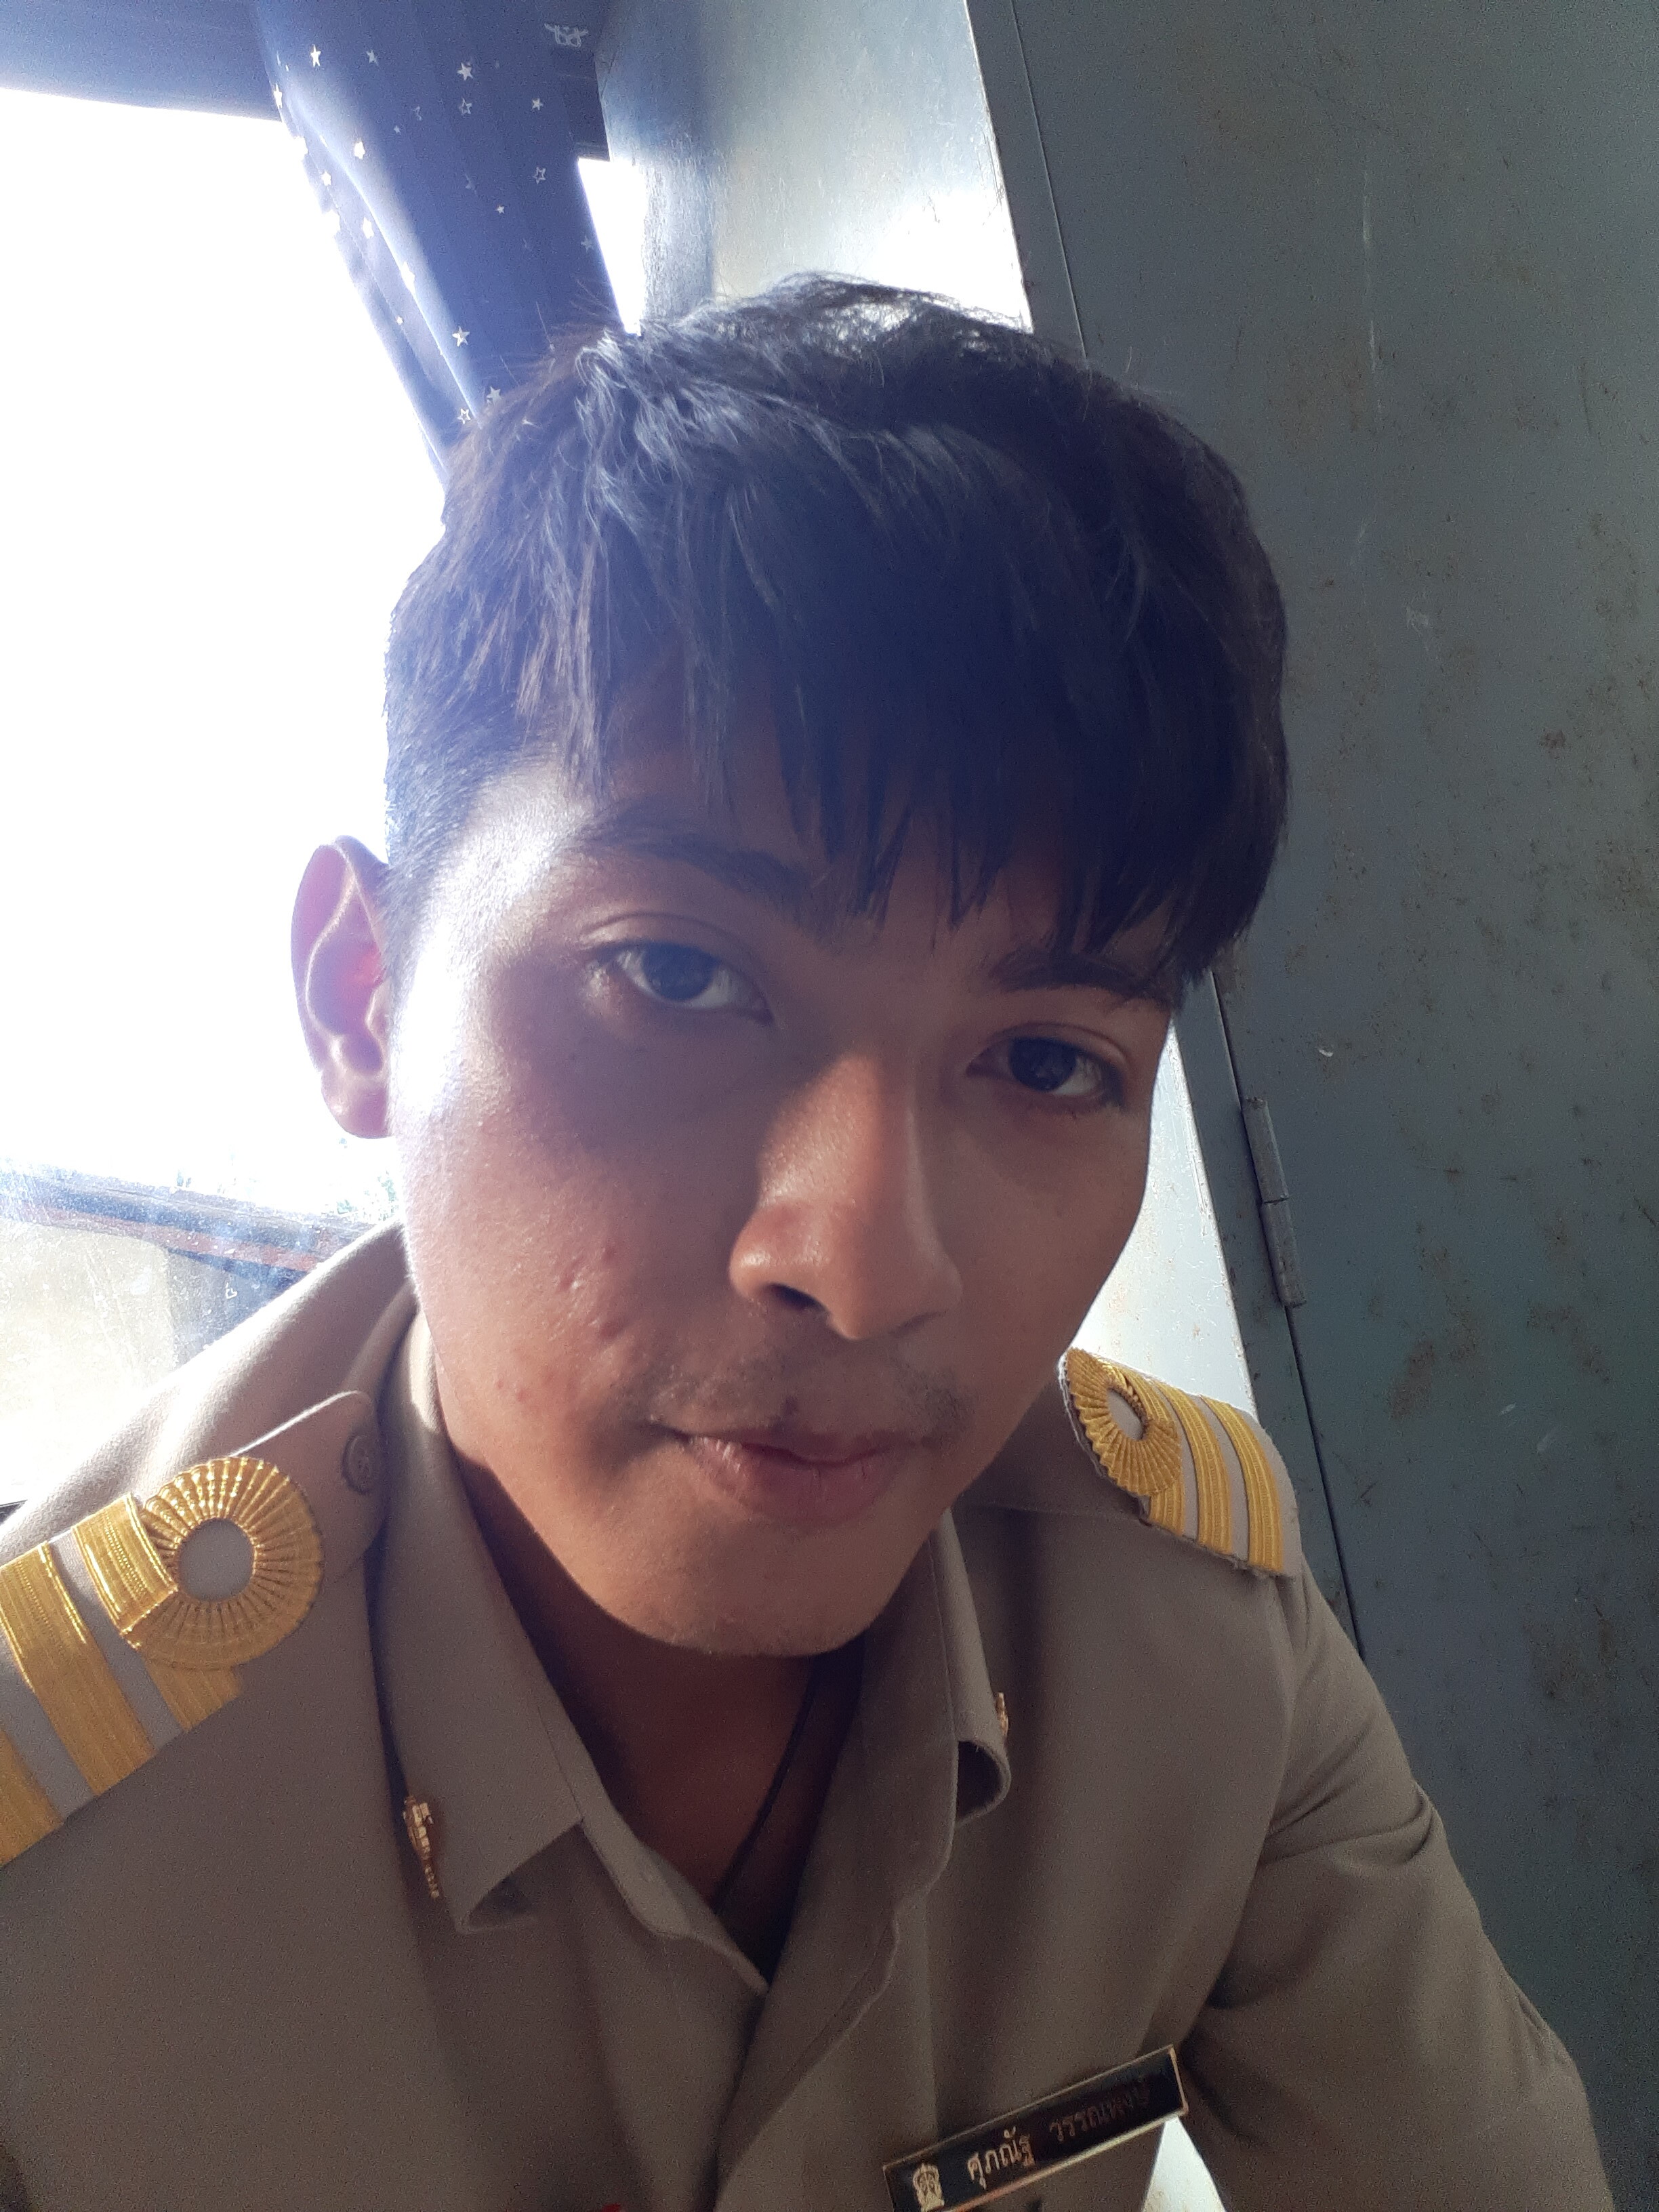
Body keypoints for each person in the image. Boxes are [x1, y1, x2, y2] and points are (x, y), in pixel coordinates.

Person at [0, 279, 1610, 2212]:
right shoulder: (51, 1848)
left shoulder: (1188, 1654)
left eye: (1047, 1060)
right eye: (677, 976)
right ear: (363, 996)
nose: (866, 1264)